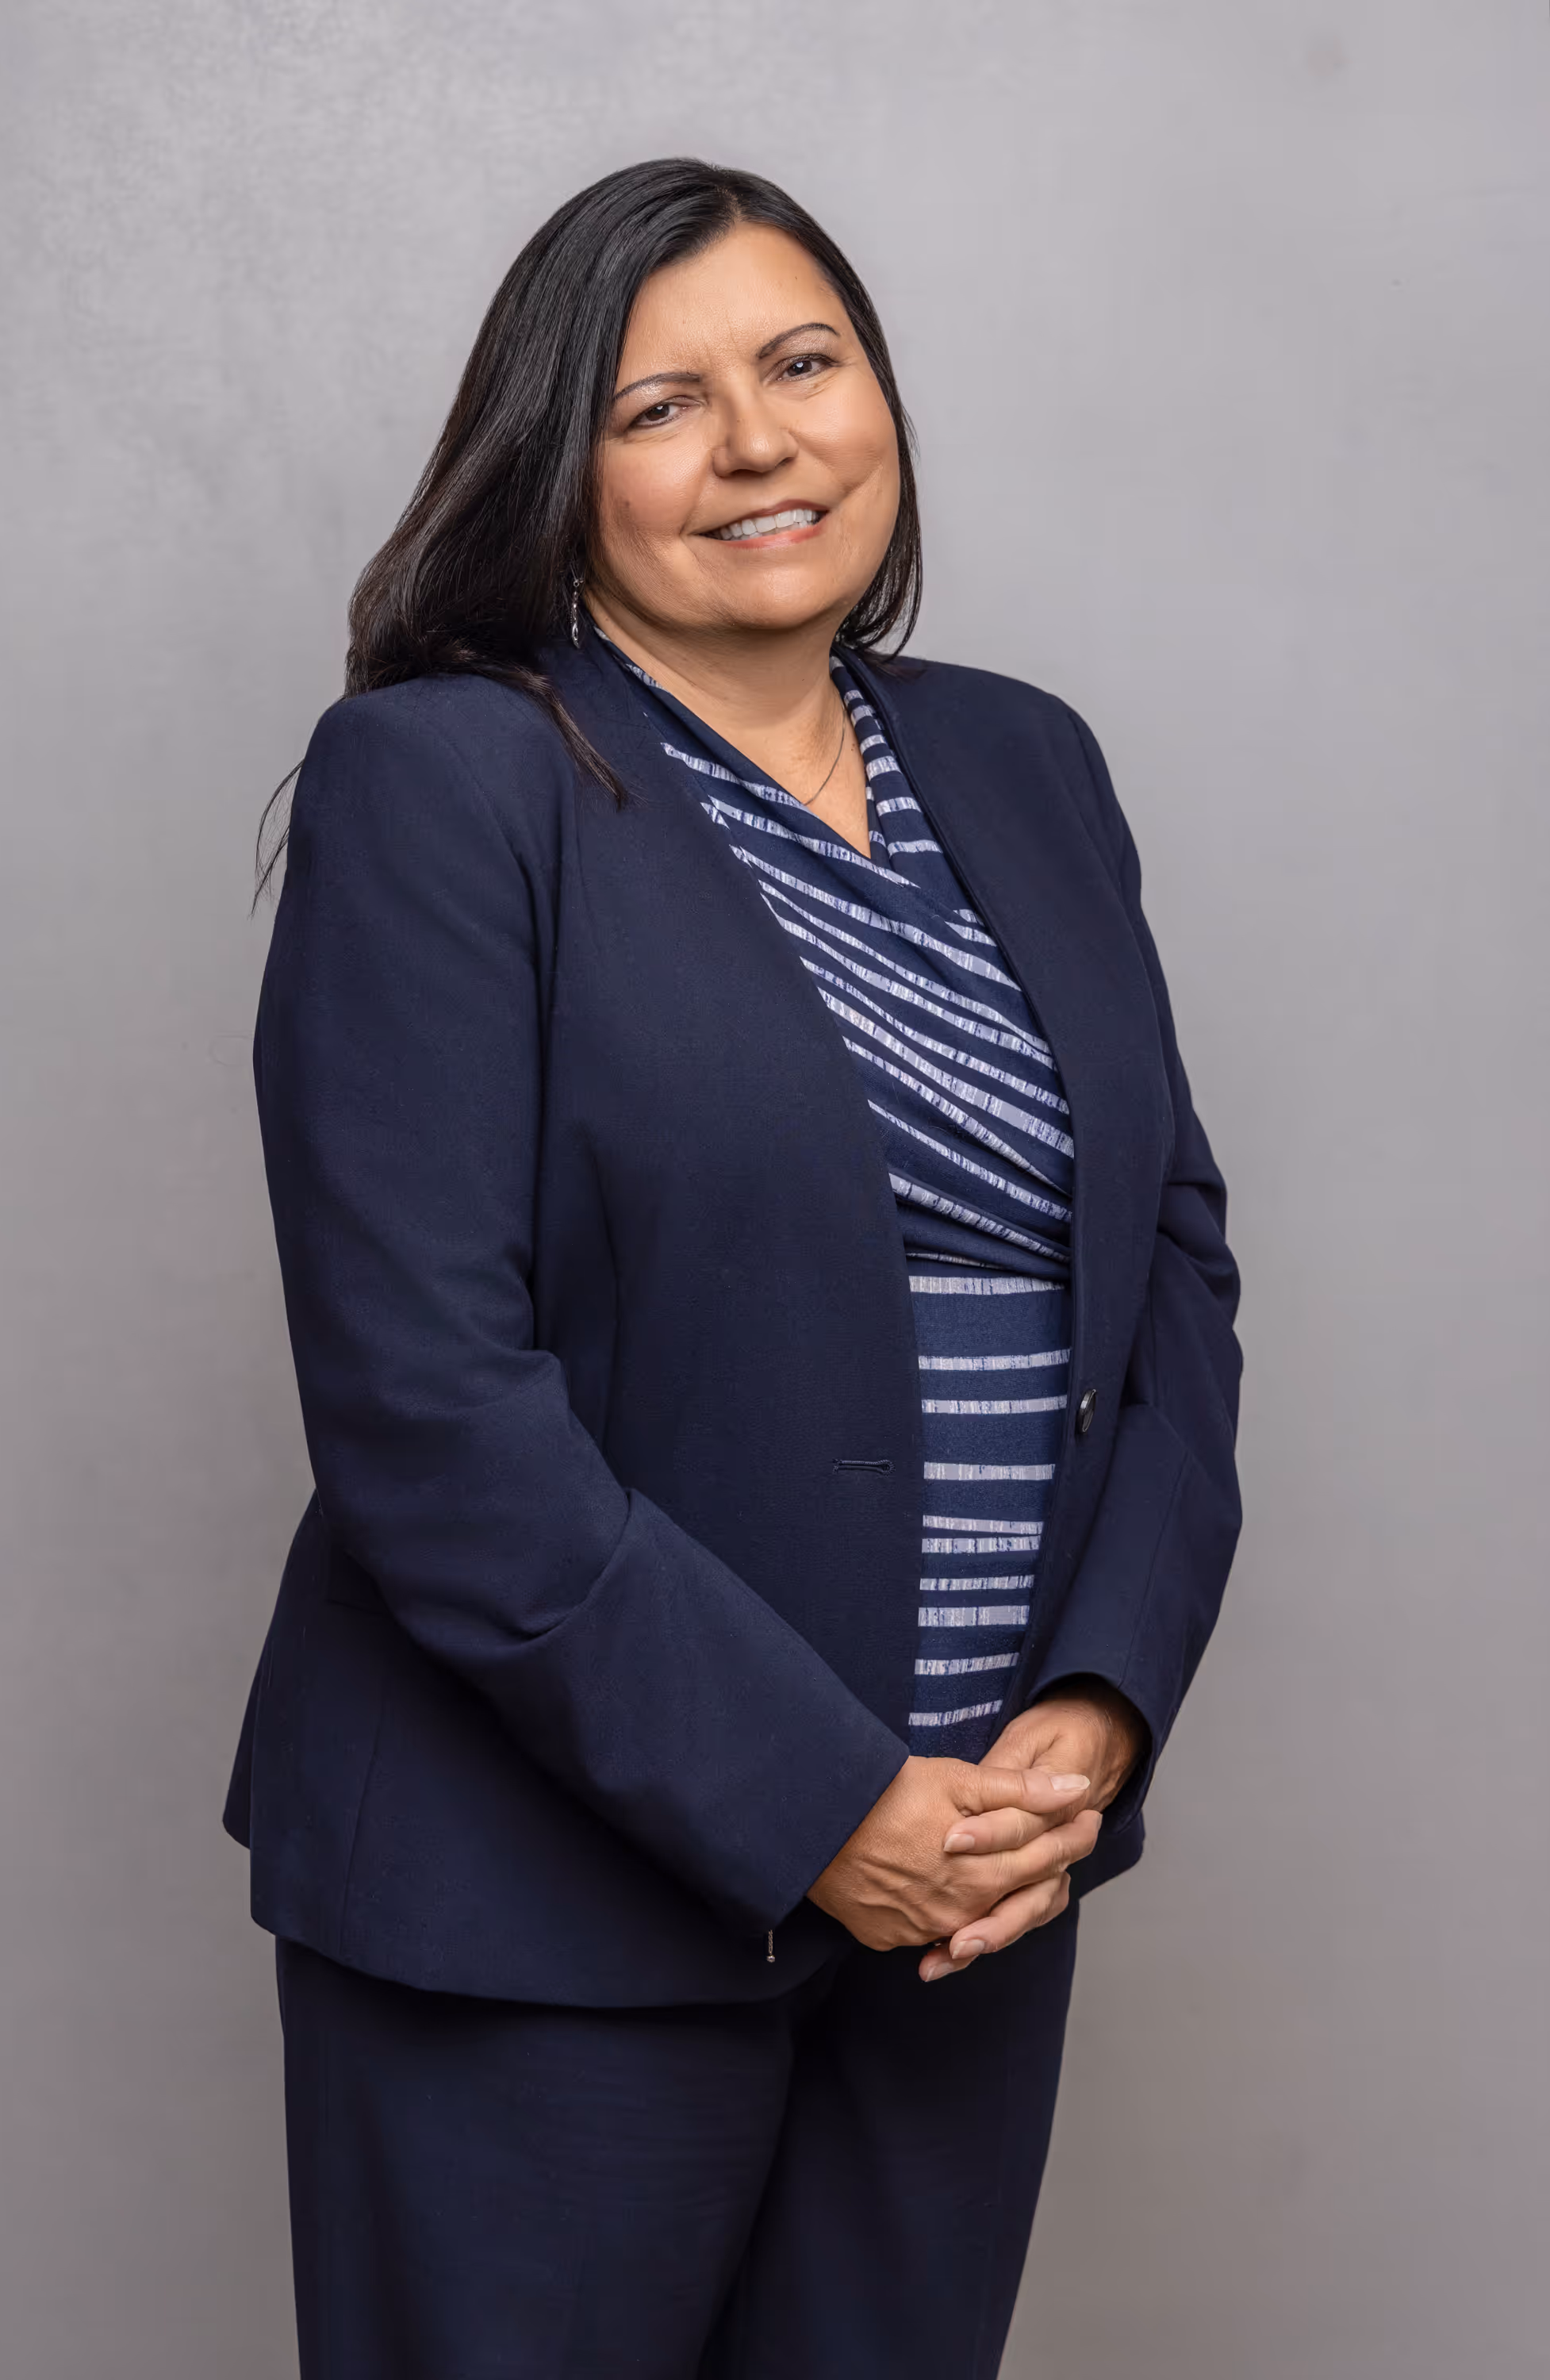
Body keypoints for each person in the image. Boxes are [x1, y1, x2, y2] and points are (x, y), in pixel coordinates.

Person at [225, 157, 1242, 2380]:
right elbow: (427, 1400)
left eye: (806, 363)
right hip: (540, 1921)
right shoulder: (446, 782)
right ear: (556, 466)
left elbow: (1165, 1270)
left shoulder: (1022, 761)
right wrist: (822, 1806)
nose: (762, 442)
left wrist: (1087, 1713)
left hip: (965, 1906)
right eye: (661, 402)